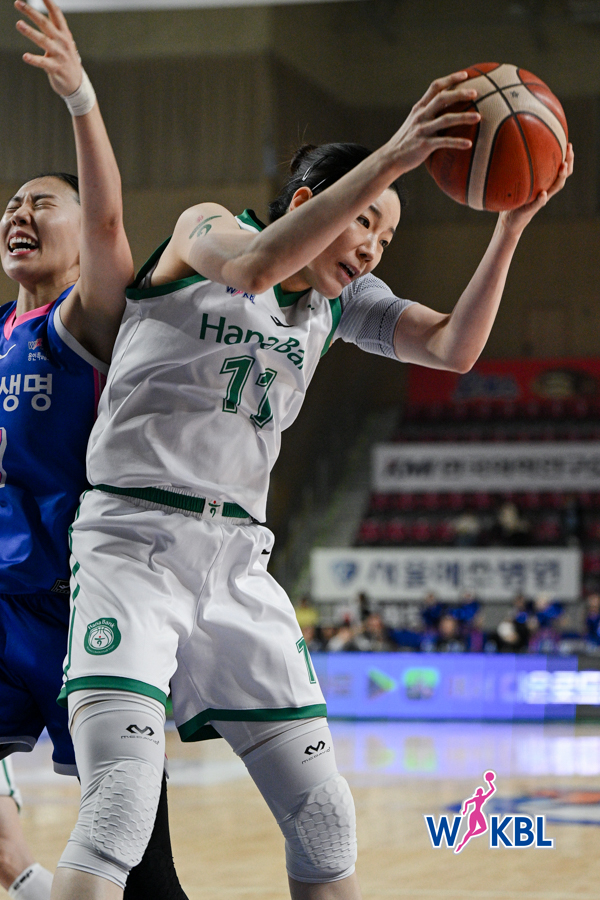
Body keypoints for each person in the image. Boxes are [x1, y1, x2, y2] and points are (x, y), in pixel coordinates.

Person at [54, 68, 573, 900]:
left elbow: (454, 348)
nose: (371, 247)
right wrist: (396, 153)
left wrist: (511, 226)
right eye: (365, 219)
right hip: (131, 543)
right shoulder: (208, 230)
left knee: (326, 822)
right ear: (307, 202)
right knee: (118, 808)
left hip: (236, 560)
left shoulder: (340, 304)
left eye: (386, 239)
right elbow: (255, 267)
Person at [0, 3, 187, 900]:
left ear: (79, 239)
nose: (19, 211)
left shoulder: (81, 322)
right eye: (11, 203)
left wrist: (80, 98)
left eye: (42, 202)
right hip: (5, 605)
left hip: (88, 610)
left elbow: (112, 229)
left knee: (143, 869)